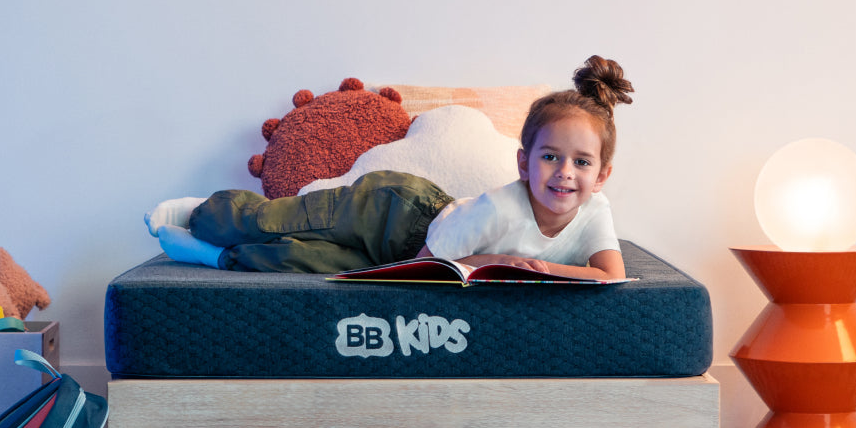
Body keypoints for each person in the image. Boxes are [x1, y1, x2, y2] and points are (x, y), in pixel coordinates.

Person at [144, 55, 633, 279]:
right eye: (550, 157)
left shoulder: (595, 211)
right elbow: (433, 262)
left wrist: (541, 269)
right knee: (278, 220)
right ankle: (203, 212)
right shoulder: (500, 209)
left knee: (302, 260)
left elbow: (611, 275)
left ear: (602, 174)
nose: (565, 172)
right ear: (524, 163)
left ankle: (206, 255)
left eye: (581, 162)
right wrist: (500, 263)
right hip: (399, 212)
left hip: (401, 259)